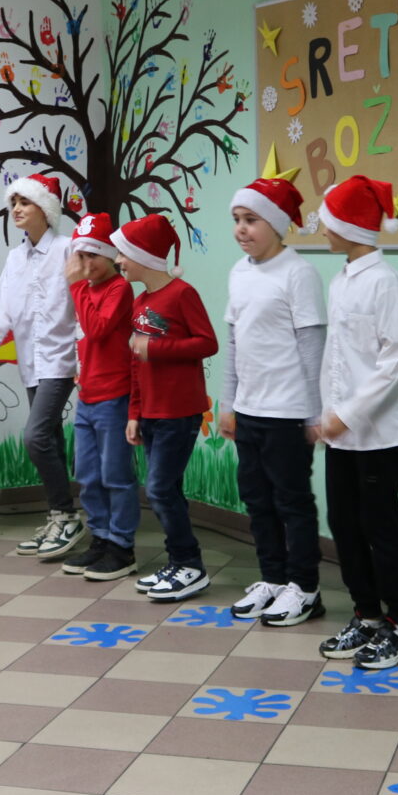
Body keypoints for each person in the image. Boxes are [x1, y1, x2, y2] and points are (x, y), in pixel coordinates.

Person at [312, 176, 398, 668]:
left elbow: (393, 362)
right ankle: (367, 615)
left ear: (351, 226)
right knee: (343, 523)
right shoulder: (341, 280)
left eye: (328, 220)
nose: (322, 228)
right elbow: (338, 358)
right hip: (341, 431)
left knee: (380, 527)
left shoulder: (385, 283)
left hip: (378, 432)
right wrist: (328, 414)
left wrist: (348, 414)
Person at [220, 178, 328, 627]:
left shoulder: (298, 273)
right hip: (249, 410)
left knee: (291, 501)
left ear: (278, 225)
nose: (241, 229)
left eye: (251, 220)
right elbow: (234, 342)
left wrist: (316, 414)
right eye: (237, 220)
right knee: (256, 499)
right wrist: (227, 403)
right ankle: (273, 579)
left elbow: (312, 349)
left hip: (287, 413)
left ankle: (305, 587)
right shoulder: (239, 272)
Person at [0, 174, 84, 560]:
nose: (16, 209)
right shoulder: (15, 258)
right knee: (49, 438)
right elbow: (1, 308)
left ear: (45, 209)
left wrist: (84, 355)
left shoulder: (68, 250)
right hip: (31, 363)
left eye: (25, 202)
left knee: (35, 437)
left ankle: (66, 515)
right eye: (13, 203)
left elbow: (82, 304)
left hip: (61, 360)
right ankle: (59, 516)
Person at [112, 213, 219, 601]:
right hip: (151, 414)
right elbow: (135, 364)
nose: (118, 261)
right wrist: (134, 413)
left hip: (180, 411)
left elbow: (207, 343)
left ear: (144, 256)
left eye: (123, 254)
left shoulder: (182, 294)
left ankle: (190, 563)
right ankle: (180, 563)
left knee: (158, 489)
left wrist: (156, 348)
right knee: (166, 489)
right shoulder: (140, 301)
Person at [60, 212, 138, 581]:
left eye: (93, 255)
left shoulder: (119, 289)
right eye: (80, 255)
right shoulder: (85, 290)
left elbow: (98, 328)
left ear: (109, 255)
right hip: (87, 397)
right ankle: (101, 538)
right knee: (88, 475)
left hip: (114, 397)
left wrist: (76, 285)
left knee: (115, 474)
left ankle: (122, 546)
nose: (86, 263)